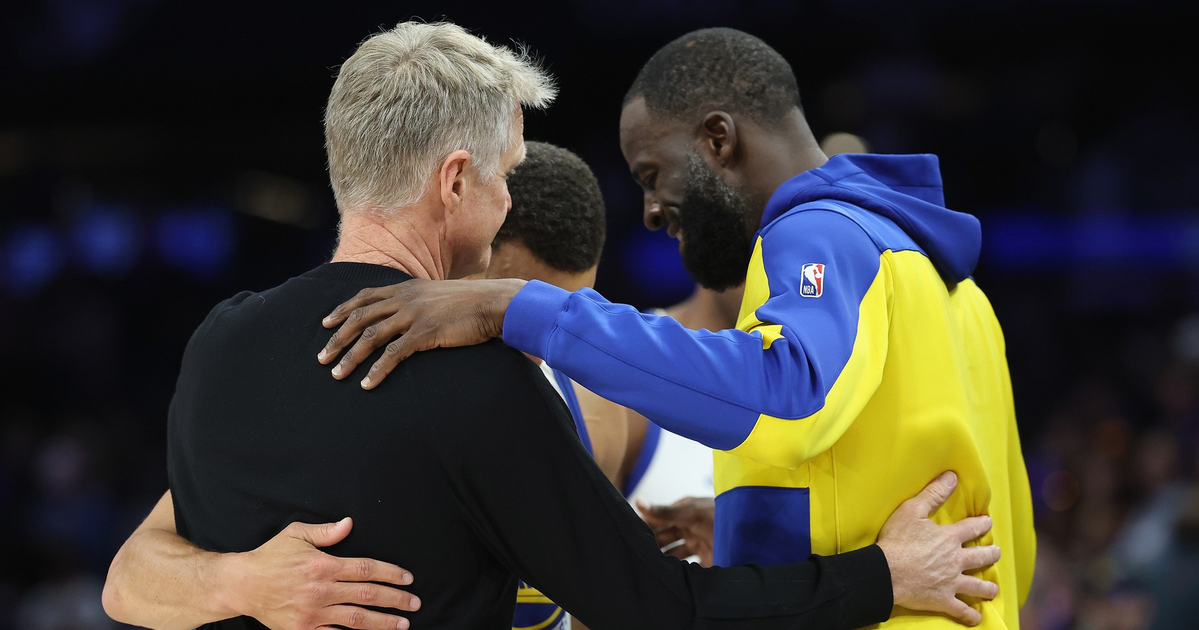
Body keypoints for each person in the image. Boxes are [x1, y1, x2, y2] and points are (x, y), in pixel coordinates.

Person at [102, 21, 1002, 630]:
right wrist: (880, 577)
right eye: (503, 176)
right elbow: (660, 610)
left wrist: (233, 583)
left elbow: (133, 574)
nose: (506, 203)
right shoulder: (480, 376)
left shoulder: (220, 344)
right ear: (456, 181)